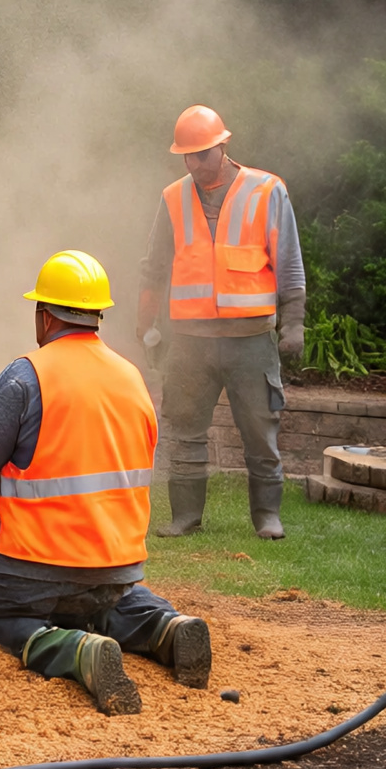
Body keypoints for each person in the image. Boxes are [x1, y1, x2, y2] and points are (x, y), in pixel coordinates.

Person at [0, 251, 210, 716]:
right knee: (96, 601)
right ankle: (167, 629)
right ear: (97, 315)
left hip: (42, 561)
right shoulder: (132, 379)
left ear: (43, 317)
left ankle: (73, 652)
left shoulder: (27, 376)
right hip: (117, 564)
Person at [138, 105, 305, 540]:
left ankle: (267, 517)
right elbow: (153, 267)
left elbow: (289, 264)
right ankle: (185, 517)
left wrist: (294, 324)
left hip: (251, 339)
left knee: (259, 431)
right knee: (185, 430)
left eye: (201, 155)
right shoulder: (173, 196)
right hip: (191, 343)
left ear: (223, 147)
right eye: (187, 157)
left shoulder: (267, 191)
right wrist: (146, 323)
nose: (193, 164)